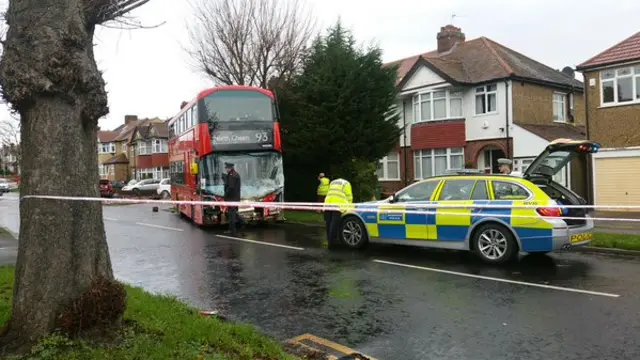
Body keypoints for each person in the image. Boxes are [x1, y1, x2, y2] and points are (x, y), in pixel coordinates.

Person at [323, 178, 353, 249]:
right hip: (338, 204)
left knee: (328, 223)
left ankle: (329, 241)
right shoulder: (347, 184)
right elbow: (349, 197)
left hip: (328, 203)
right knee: (334, 223)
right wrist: (349, 206)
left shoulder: (333, 182)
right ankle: (332, 243)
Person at [223, 162, 245, 235]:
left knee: (231, 215)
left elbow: (231, 187)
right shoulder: (233, 174)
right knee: (232, 214)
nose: (226, 169)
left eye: (226, 168)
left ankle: (233, 231)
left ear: (230, 168)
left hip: (232, 198)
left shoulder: (233, 175)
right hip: (234, 198)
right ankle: (241, 221)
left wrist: (225, 195)